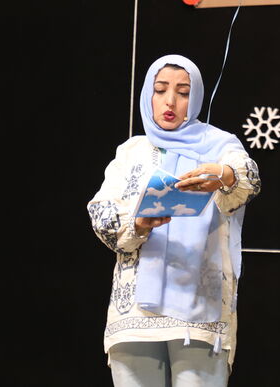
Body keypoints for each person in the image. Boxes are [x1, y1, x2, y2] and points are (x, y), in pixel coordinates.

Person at [88, 55, 261, 386]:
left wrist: (223, 175)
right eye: (160, 90)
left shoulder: (219, 145)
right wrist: (139, 223)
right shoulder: (131, 151)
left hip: (201, 310)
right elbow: (102, 215)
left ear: (194, 99)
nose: (170, 101)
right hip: (134, 316)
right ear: (148, 95)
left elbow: (248, 179)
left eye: (183, 92)